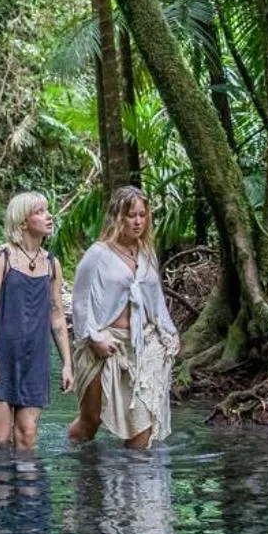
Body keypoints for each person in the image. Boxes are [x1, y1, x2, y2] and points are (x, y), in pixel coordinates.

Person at [67, 184, 180, 449]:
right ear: (118, 217)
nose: (138, 221)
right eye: (132, 215)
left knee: (142, 426)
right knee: (90, 422)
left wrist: (170, 331)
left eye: (142, 214)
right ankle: (79, 468)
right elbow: (80, 303)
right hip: (103, 346)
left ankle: (132, 485)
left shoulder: (146, 252)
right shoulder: (98, 254)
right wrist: (95, 339)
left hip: (139, 346)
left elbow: (156, 298)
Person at [0, 192, 73, 449]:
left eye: (48, 210)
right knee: (1, 440)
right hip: (1, 355)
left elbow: (57, 314)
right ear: (22, 221)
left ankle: (29, 488)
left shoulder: (52, 264)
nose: (49, 216)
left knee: (27, 434)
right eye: (40, 211)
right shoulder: (0, 257)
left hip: (34, 358)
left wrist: (67, 363)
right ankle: (0, 486)